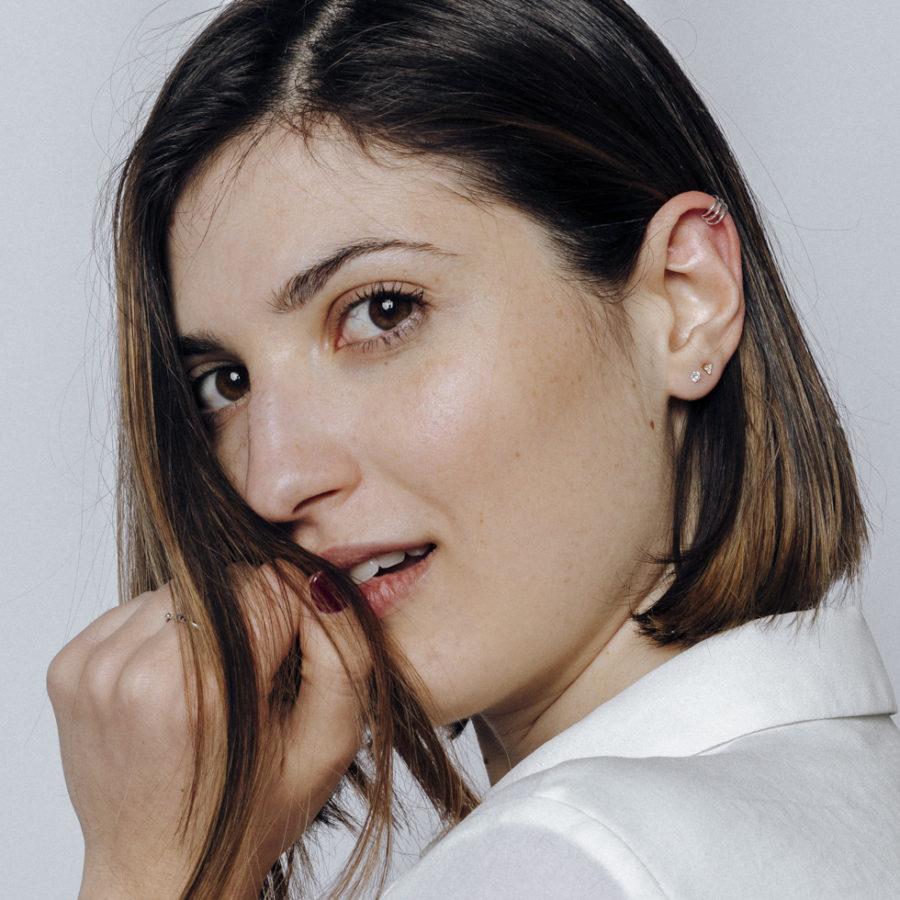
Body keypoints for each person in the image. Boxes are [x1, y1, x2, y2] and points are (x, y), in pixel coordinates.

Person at [45, 0, 899, 897]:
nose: (273, 480)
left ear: (687, 298)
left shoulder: (554, 865)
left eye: (382, 311)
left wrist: (157, 871)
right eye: (224, 383)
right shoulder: (844, 798)